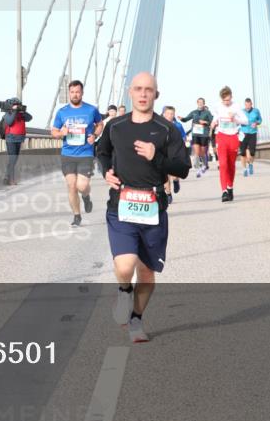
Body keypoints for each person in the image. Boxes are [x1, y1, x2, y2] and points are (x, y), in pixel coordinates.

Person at [96, 72, 191, 343]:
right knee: (125, 266)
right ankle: (124, 291)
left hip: (153, 206)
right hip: (121, 205)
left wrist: (157, 157)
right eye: (138, 88)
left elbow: (183, 168)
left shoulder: (167, 130)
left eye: (148, 89)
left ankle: (136, 319)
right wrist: (106, 172)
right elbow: (101, 151)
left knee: (147, 273)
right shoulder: (115, 126)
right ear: (130, 92)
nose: (143, 94)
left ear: (156, 94)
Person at [51, 80, 104, 227]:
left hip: (85, 153)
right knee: (72, 186)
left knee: (82, 186)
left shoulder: (91, 110)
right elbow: (54, 131)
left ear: (82, 93)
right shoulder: (62, 112)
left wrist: (94, 135)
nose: (75, 95)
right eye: (72, 92)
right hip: (67, 154)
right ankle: (77, 215)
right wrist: (61, 133)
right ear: (69, 93)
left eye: (77, 92)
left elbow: (100, 124)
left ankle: (86, 196)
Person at [210, 86, 248, 202]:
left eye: (228, 100)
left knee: (231, 165)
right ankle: (224, 192)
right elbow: (216, 117)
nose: (226, 102)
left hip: (233, 137)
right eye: (224, 100)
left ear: (231, 97)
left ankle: (230, 187)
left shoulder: (236, 106)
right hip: (221, 136)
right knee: (223, 164)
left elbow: (246, 121)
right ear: (221, 99)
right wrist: (213, 122)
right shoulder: (218, 106)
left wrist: (235, 119)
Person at [1, 99, 32, 185]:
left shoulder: (20, 114)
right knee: (12, 159)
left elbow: (30, 118)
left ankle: (7, 177)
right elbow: (10, 122)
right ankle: (11, 180)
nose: (17, 106)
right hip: (10, 139)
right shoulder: (7, 114)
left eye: (18, 104)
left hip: (19, 139)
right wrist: (14, 111)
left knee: (14, 160)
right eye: (16, 105)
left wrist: (23, 111)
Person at [181, 98, 213, 177]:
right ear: (197, 103)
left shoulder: (207, 112)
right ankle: (198, 169)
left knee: (202, 152)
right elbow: (186, 119)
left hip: (204, 134)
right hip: (195, 134)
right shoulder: (194, 112)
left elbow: (212, 122)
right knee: (197, 152)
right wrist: (182, 119)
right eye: (199, 102)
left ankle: (204, 165)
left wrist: (205, 122)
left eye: (202, 102)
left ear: (204, 103)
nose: (200, 104)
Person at [161, 106, 186, 201]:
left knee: (174, 174)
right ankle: (168, 194)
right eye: (168, 113)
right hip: (163, 152)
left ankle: (176, 181)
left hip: (175, 152)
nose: (170, 115)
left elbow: (183, 137)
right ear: (164, 114)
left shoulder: (178, 125)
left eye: (172, 114)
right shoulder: (159, 125)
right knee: (165, 174)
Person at [238, 98, 262, 177]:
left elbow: (260, 120)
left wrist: (256, 123)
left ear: (251, 104)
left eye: (249, 105)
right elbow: (237, 120)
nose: (247, 106)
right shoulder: (241, 112)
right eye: (246, 105)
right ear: (244, 105)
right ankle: (244, 169)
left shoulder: (256, 111)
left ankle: (251, 164)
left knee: (252, 152)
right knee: (242, 152)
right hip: (243, 133)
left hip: (252, 133)